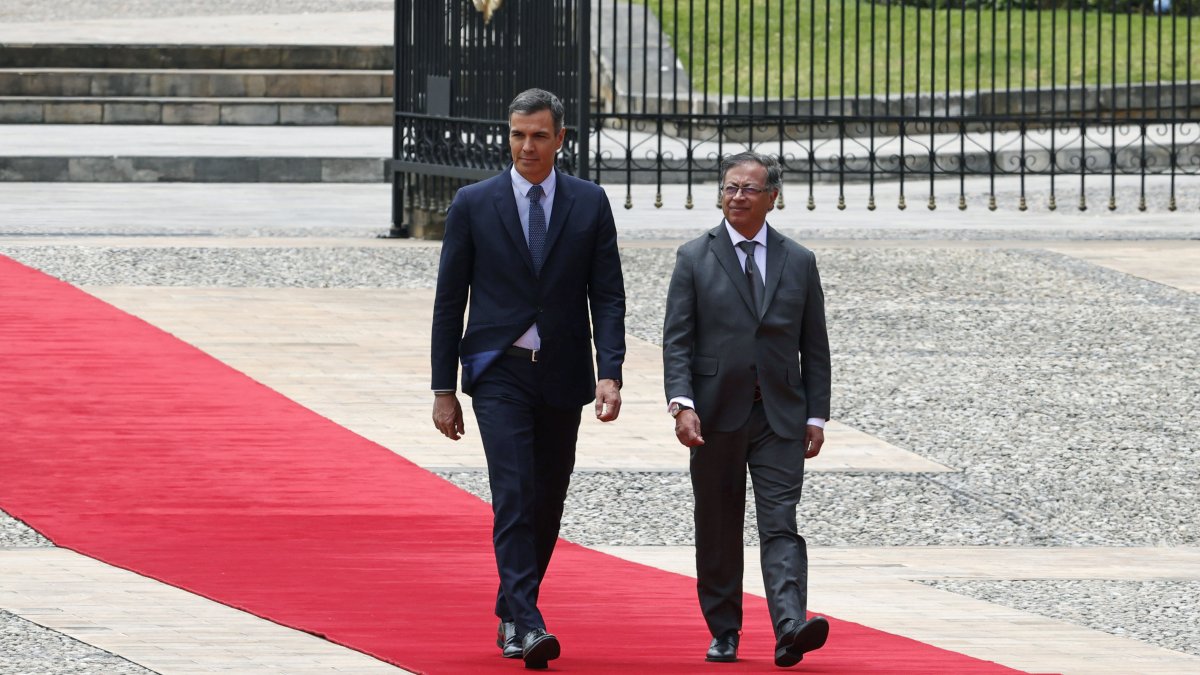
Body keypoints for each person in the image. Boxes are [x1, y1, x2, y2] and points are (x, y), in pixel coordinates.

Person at [430, 88, 626, 670]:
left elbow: (608, 295)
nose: (526, 146)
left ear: (560, 139)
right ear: (507, 135)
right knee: (514, 494)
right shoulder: (473, 202)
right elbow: (449, 301)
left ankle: (511, 608)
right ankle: (529, 621)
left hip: (564, 373)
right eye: (518, 134)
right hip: (499, 372)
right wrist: (444, 388)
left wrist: (609, 372)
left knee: (547, 500)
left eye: (539, 135)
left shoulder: (589, 203)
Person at [662, 151, 831, 666]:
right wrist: (681, 404)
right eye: (730, 187)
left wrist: (816, 415)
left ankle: (788, 626)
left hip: (779, 415)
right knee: (717, 523)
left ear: (772, 198)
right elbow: (678, 340)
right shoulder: (695, 257)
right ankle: (724, 630)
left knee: (781, 522)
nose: (736, 196)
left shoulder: (798, 260)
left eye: (748, 189)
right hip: (714, 416)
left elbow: (814, 345)